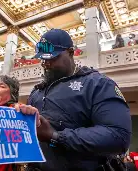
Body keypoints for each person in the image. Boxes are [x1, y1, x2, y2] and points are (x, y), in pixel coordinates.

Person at [27, 29, 131, 171]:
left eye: (52, 58)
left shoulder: (97, 84)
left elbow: (118, 136)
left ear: (71, 52)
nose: (46, 63)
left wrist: (55, 136)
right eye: (43, 59)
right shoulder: (36, 92)